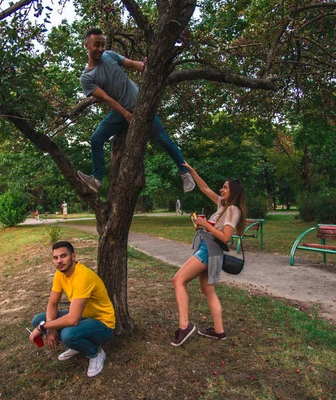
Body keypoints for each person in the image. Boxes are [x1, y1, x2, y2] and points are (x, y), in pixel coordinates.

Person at [76, 28, 195, 194]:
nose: (101, 49)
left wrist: (144, 65)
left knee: (163, 139)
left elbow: (133, 64)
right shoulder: (87, 77)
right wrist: (125, 114)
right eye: (97, 45)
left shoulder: (109, 55)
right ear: (86, 46)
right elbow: (108, 99)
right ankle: (96, 180)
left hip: (141, 103)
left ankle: (185, 173)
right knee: (96, 139)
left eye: (103, 45)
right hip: (120, 111)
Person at [170, 162, 247, 346]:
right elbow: (204, 188)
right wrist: (191, 170)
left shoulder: (233, 210)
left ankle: (184, 326)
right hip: (209, 250)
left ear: (233, 191)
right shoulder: (223, 205)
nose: (221, 190)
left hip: (209, 251)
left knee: (178, 280)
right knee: (208, 290)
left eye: (225, 187)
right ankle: (219, 331)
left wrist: (206, 226)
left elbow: (226, 238)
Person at [29, 241, 115, 377]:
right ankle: (78, 345)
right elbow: (52, 304)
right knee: (38, 319)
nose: (59, 261)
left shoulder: (83, 275)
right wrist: (49, 328)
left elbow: (73, 319)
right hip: (83, 317)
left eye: (63, 256)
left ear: (73, 257)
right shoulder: (60, 274)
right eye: (55, 258)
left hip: (103, 323)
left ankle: (95, 353)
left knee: (67, 335)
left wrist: (42, 328)